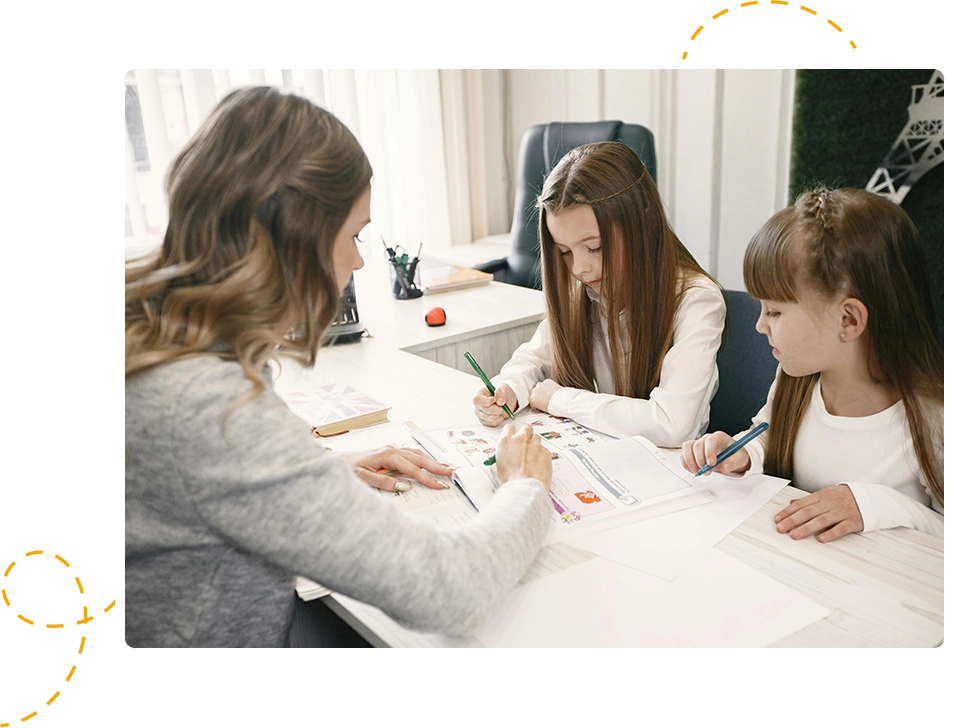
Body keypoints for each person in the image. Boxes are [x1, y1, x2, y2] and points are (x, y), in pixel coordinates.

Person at [124, 86, 553, 648]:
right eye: (352, 234)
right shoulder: (210, 406)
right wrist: (526, 488)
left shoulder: (148, 330)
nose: (358, 260)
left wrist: (313, 473)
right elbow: (452, 590)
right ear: (293, 239)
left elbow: (196, 484)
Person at [681, 188, 943, 542]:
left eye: (774, 311)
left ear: (848, 320)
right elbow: (769, 436)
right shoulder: (795, 377)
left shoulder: (933, 418)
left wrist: (871, 504)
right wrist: (742, 454)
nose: (759, 325)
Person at [473, 141, 725, 446]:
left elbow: (672, 424)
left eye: (595, 247)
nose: (580, 269)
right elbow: (535, 357)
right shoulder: (586, 292)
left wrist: (561, 399)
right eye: (565, 252)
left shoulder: (696, 300)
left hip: (670, 471)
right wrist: (509, 388)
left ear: (643, 222)